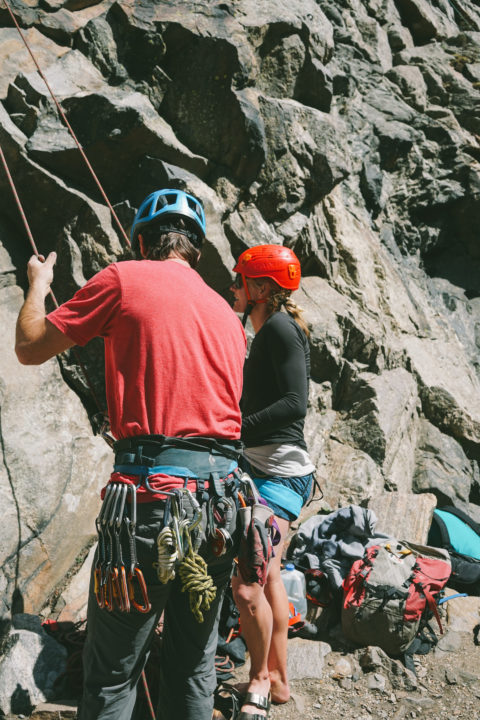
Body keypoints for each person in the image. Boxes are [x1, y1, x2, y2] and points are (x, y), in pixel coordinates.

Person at [15, 188, 247, 720]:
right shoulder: (226, 314)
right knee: (194, 666)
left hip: (147, 503)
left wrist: (39, 286)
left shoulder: (124, 278)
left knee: (114, 674)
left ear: (142, 240)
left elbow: (29, 346)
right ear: (196, 248)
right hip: (221, 505)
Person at [229, 245, 315, 719]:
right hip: (267, 471)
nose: (235, 287)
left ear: (261, 289)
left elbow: (294, 405)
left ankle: (260, 681)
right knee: (270, 577)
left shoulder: (280, 328)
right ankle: (279, 681)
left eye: (241, 280)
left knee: (246, 587)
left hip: (279, 475)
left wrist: (235, 429)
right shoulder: (269, 329)